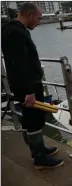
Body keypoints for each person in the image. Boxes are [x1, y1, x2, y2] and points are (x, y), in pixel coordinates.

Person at [1, 2, 64, 169]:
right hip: (27, 87)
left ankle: (40, 149)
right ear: (29, 15)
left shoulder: (15, 30)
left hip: (27, 85)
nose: (39, 21)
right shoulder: (15, 32)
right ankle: (39, 158)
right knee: (33, 121)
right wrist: (29, 91)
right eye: (38, 18)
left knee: (34, 119)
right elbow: (19, 63)